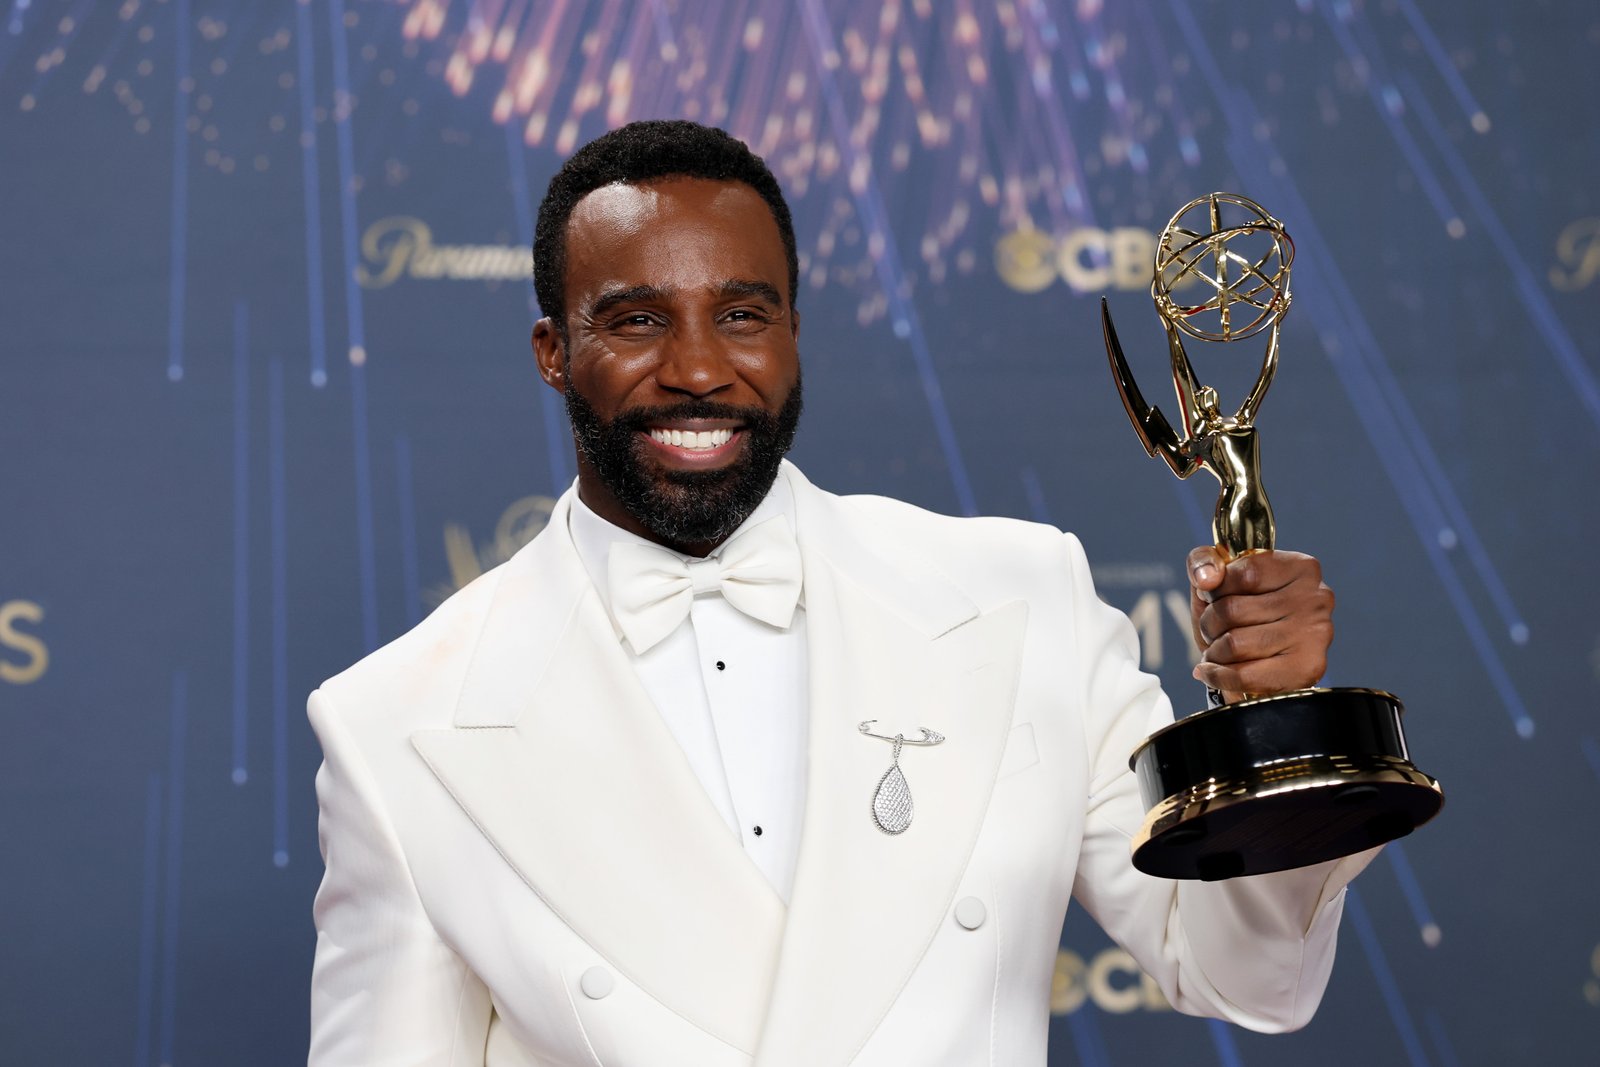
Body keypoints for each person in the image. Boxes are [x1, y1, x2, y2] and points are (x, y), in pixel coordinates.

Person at [307, 120, 1368, 1067]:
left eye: (741, 314)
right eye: (636, 322)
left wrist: (1276, 730)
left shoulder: (1022, 598)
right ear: (554, 351)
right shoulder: (394, 726)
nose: (698, 369)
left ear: (793, 334)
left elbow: (1246, 976)